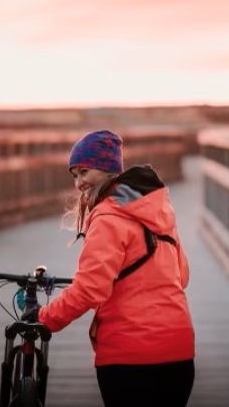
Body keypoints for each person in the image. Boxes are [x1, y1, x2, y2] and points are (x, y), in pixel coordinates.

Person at [24, 129, 195, 407]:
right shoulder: (159, 210)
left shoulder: (107, 216)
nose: (78, 183)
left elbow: (90, 290)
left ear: (106, 170)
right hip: (178, 353)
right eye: (74, 175)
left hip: (131, 360)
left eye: (84, 172)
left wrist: (43, 319)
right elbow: (182, 274)